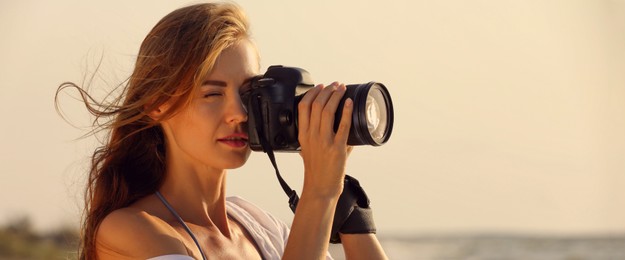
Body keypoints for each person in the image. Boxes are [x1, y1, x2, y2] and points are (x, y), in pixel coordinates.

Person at [56, 3, 388, 259]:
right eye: (213, 94)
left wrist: (344, 200)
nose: (239, 114)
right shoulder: (129, 231)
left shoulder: (258, 226)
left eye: (248, 94)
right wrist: (318, 192)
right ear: (157, 105)